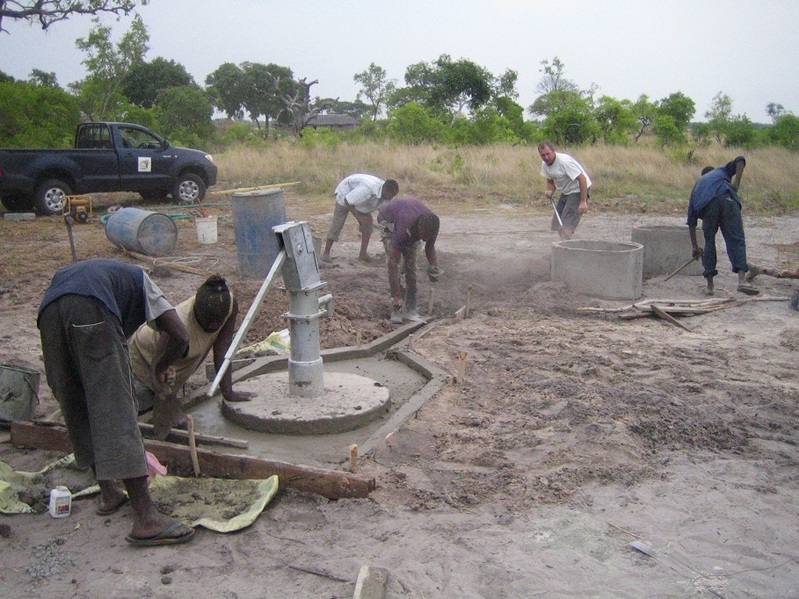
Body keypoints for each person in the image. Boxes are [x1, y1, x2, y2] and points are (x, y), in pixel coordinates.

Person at [37, 258, 195, 546]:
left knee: (76, 402)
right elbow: (180, 334)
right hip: (91, 307)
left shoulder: (109, 275)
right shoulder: (143, 281)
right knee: (115, 407)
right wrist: (159, 369)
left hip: (49, 311)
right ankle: (146, 519)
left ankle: (109, 492)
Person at [128, 275, 255, 440]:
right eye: (209, 322)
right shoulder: (179, 328)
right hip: (142, 364)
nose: (213, 327)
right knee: (138, 422)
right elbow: (157, 369)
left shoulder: (228, 305)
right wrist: (170, 408)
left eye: (218, 322)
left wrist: (228, 391)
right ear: (197, 311)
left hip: (171, 363)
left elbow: (222, 349)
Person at [687, 156, 758, 296]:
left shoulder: (697, 186)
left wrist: (695, 247)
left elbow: (691, 222)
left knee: (709, 242)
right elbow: (740, 160)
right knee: (736, 239)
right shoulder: (722, 172)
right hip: (727, 198)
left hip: (708, 205)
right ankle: (742, 281)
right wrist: (736, 184)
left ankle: (709, 286)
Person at [377, 197, 440, 324]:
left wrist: (433, 267)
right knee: (398, 267)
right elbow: (393, 263)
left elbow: (430, 247)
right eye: (424, 235)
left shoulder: (432, 225)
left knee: (411, 266)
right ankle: (397, 308)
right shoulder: (403, 227)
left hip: (409, 224)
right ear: (419, 227)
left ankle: (411, 308)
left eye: (428, 236)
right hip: (389, 221)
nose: (425, 239)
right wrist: (396, 296)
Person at [322, 174, 399, 263]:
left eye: (394, 195)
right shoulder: (367, 189)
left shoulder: (386, 193)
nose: (392, 198)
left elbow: (385, 213)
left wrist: (392, 228)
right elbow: (347, 200)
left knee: (368, 222)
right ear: (386, 190)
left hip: (359, 198)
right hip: (345, 194)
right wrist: (358, 217)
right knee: (338, 223)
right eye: (391, 195)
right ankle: (326, 253)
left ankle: (363, 254)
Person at [538, 141, 592, 240]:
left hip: (578, 189)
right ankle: (565, 245)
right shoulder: (545, 164)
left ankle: (563, 251)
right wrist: (550, 191)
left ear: (553, 151)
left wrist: (583, 201)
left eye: (548, 154)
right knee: (558, 223)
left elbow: (582, 179)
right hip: (566, 191)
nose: (546, 157)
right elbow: (550, 180)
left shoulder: (564, 162)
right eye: (543, 155)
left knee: (567, 224)